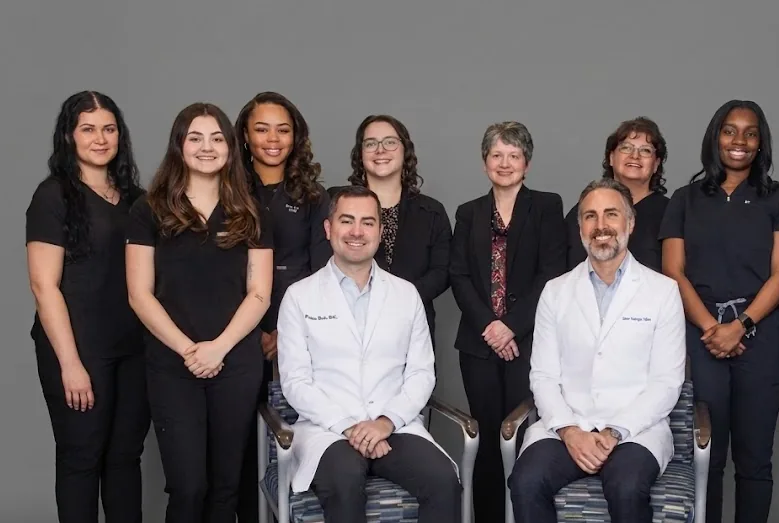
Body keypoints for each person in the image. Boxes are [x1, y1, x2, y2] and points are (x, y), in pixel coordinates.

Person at [276, 185, 461, 523]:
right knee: (344, 481)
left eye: (368, 222)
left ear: (379, 231)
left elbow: (421, 374)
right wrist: (350, 427)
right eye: (347, 221)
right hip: (328, 429)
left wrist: (385, 422)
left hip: (394, 424)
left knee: (443, 481)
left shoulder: (406, 295)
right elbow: (295, 381)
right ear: (329, 229)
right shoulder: (299, 297)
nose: (357, 232)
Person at [125, 102, 274, 523]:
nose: (206, 147)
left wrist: (219, 349)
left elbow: (260, 293)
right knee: (189, 487)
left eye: (216, 138)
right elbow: (139, 294)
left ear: (230, 146)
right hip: (172, 365)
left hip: (236, 362)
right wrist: (189, 350)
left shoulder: (252, 210)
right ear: (179, 146)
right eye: (195, 138)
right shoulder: (149, 210)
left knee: (227, 487)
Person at [508, 178, 686, 523]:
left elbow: (666, 382)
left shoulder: (662, 292)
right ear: (580, 230)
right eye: (590, 217)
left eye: (611, 215)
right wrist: (570, 431)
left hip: (635, 430)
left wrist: (613, 432)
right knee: (526, 481)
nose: (601, 226)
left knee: (627, 486)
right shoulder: (556, 291)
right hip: (566, 425)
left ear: (630, 224)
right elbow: (543, 376)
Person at [659, 100, 779, 523]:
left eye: (750, 132)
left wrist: (740, 326)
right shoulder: (685, 199)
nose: (739, 141)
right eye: (729, 130)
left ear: (761, 143)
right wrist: (712, 329)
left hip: (763, 340)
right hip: (703, 342)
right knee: (707, 456)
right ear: (714, 137)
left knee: (755, 461)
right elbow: (673, 271)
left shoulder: (778, 197)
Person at [26, 91, 151, 523]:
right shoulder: (54, 196)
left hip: (134, 349)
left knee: (124, 458)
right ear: (69, 135)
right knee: (82, 456)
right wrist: (70, 363)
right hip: (78, 350)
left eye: (109, 128)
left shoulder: (137, 198)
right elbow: (44, 286)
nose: (101, 138)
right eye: (88, 128)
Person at [449, 121, 567, 523]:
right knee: (484, 437)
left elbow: (551, 273)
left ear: (527, 163)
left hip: (528, 341)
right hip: (478, 345)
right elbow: (458, 275)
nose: (505, 163)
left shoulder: (548, 206)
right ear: (485, 163)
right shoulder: (468, 213)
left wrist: (512, 326)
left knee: (522, 437)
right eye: (496, 155)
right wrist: (491, 327)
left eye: (513, 155)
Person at [234, 91, 330, 523]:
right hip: (234, 333)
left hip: (294, 335)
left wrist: (282, 331)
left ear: (296, 137)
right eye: (261, 128)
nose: (273, 139)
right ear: (245, 135)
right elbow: (220, 268)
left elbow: (316, 269)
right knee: (237, 439)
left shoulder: (312, 195)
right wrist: (251, 329)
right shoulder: (227, 189)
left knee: (291, 434)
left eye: (283, 129)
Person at [325, 114, 452, 342]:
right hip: (343, 324)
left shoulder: (432, 212)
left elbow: (442, 272)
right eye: (371, 143)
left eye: (390, 142)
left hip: (411, 325)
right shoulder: (334, 201)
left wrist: (397, 300)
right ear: (360, 153)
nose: (380, 150)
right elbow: (319, 260)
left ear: (405, 151)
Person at [564, 117, 671, 271]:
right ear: (611, 157)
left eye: (645, 150)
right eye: (626, 148)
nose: (635, 156)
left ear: (656, 164)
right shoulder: (584, 210)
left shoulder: (671, 213)